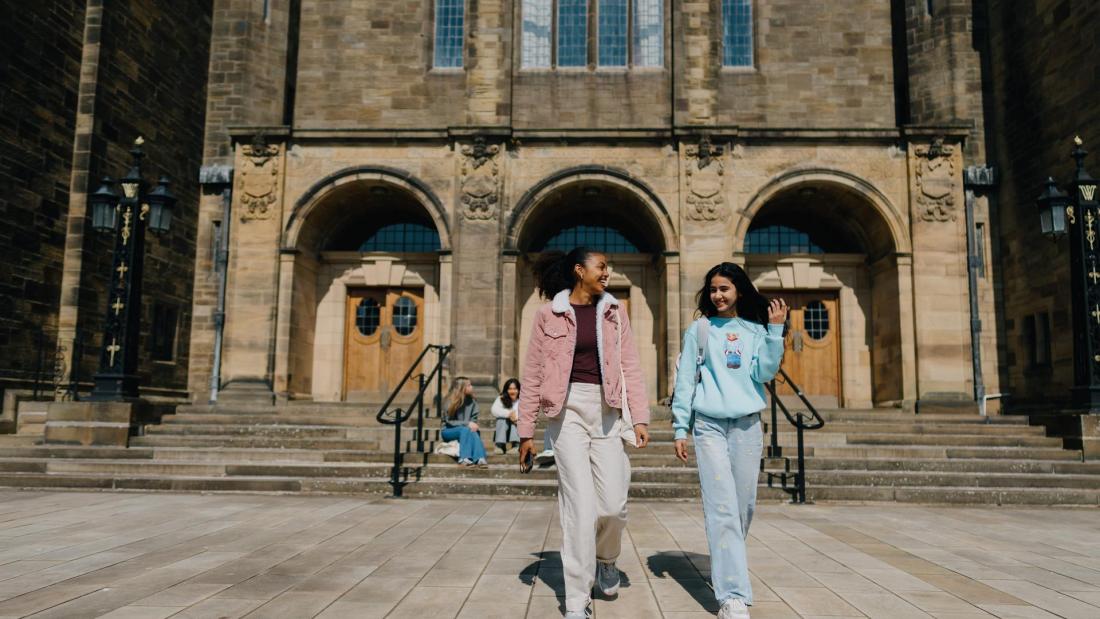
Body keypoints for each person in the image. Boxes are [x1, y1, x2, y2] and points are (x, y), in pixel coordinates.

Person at [518, 246, 651, 619]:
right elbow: (532, 374)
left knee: (612, 505)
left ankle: (606, 559)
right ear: (580, 270)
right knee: (579, 508)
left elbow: (630, 366)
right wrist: (525, 430)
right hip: (566, 412)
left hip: (608, 411)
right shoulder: (549, 314)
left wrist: (639, 417)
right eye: (601, 266)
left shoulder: (614, 311)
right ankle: (577, 599)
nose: (607, 272)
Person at [671, 262, 787, 619]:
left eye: (724, 289)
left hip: (747, 426)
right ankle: (732, 596)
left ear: (738, 290)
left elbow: (764, 373)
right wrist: (680, 427)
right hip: (708, 426)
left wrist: (776, 332)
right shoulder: (700, 330)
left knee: (742, 507)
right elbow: (686, 380)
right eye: (713, 289)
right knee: (721, 508)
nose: (718, 295)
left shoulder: (755, 330)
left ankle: (726, 561)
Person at [442, 377, 488, 468]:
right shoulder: (449, 400)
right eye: (469, 385)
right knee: (465, 429)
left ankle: (480, 459)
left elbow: (473, 421)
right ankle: (464, 458)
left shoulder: (472, 402)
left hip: (465, 431)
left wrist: (472, 425)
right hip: (448, 431)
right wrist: (467, 423)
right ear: (461, 388)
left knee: (472, 431)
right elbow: (449, 421)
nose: (472, 387)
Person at [491, 379, 522, 454]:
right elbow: (494, 410)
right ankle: (500, 445)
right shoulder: (501, 398)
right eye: (510, 389)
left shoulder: (523, 400)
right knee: (501, 419)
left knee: (516, 421)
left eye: (515, 389)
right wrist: (509, 414)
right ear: (506, 390)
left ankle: (516, 445)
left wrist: (515, 418)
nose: (512, 391)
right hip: (504, 431)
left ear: (518, 390)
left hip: (519, 431)